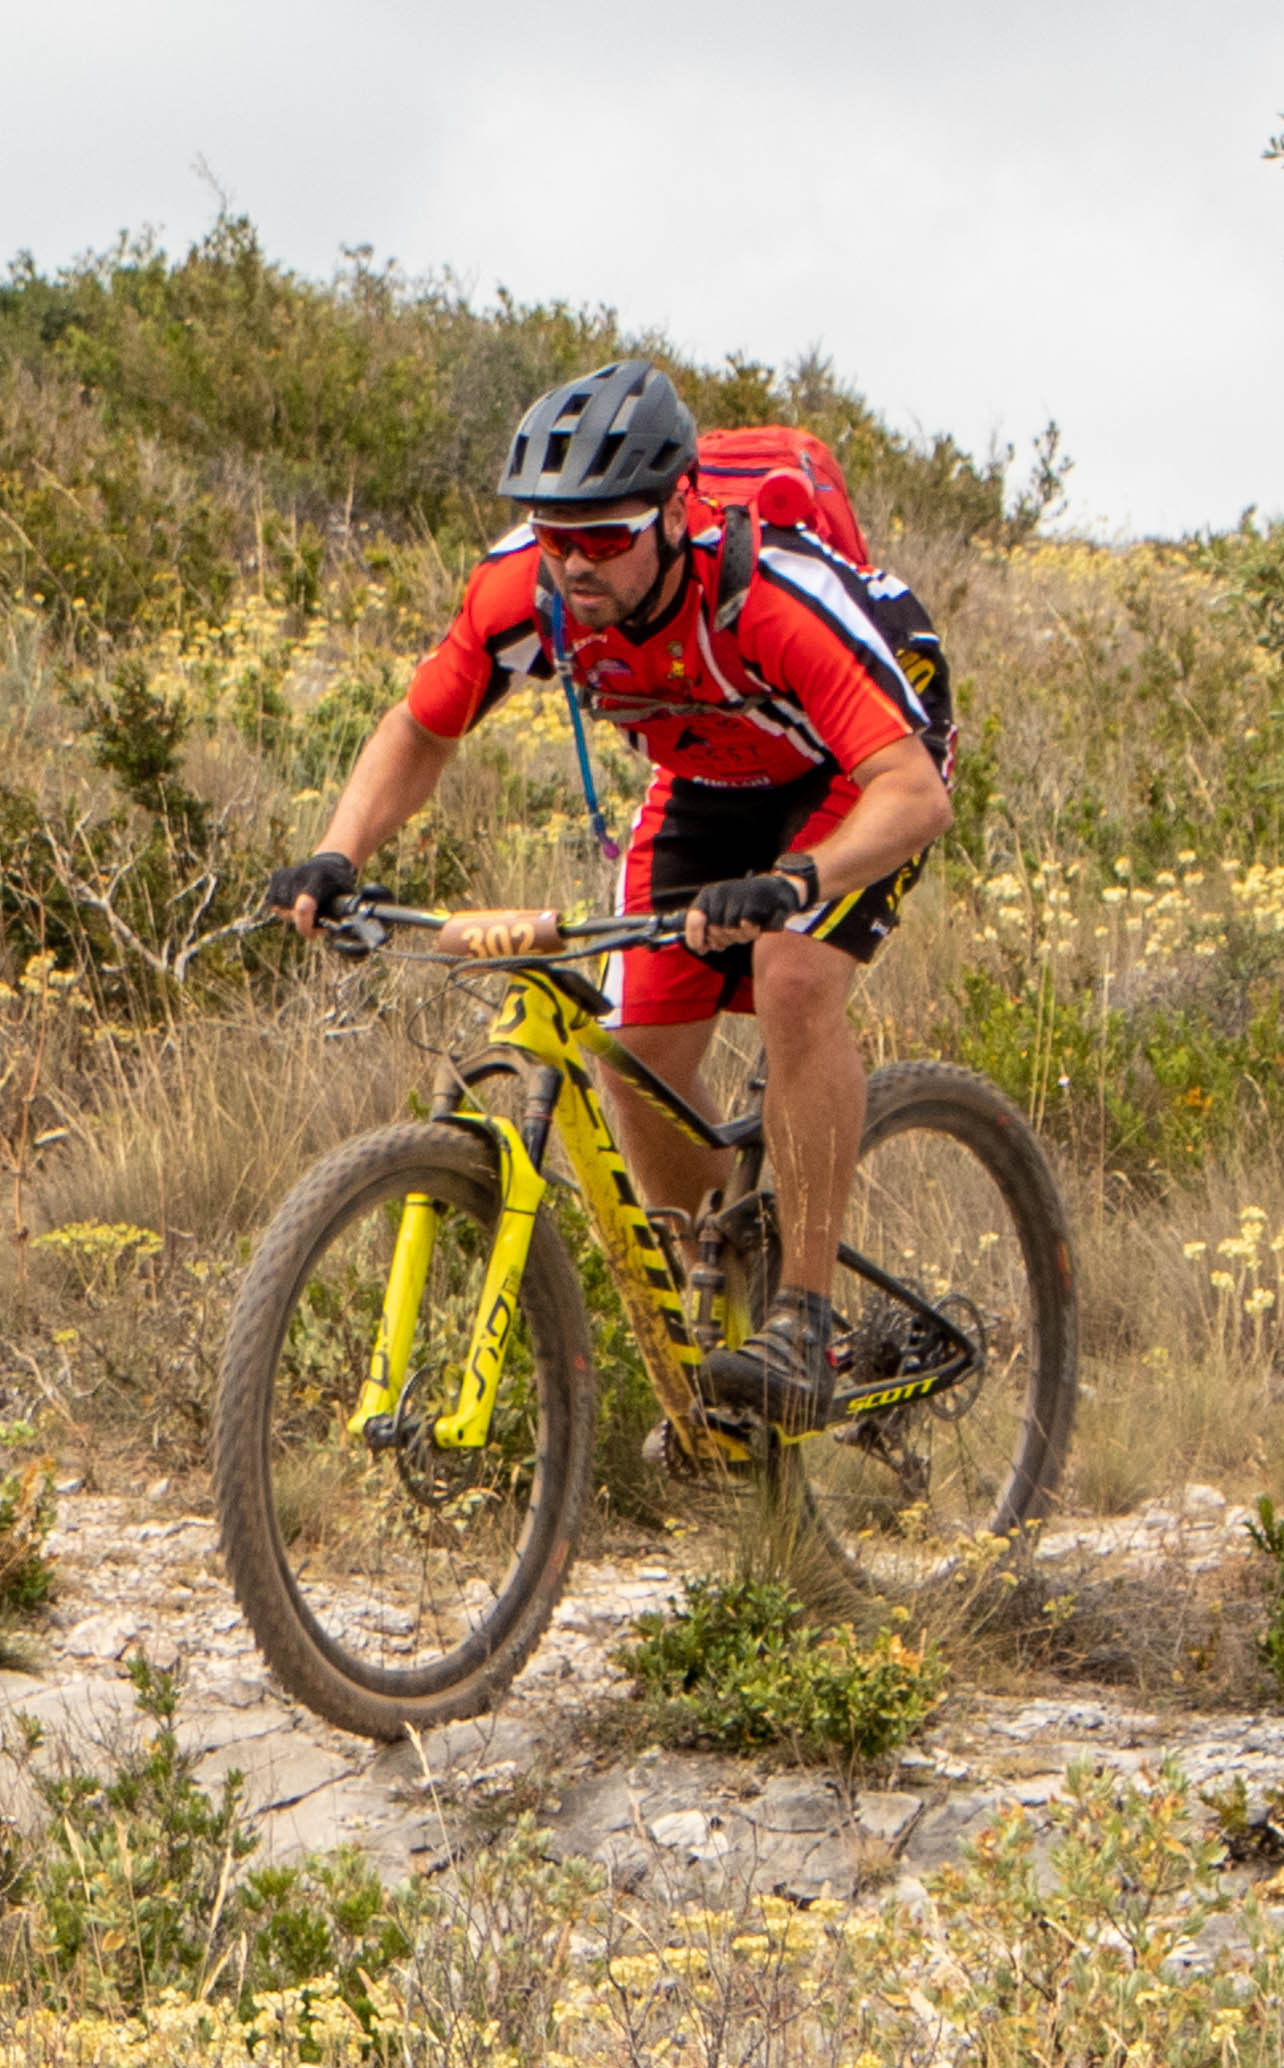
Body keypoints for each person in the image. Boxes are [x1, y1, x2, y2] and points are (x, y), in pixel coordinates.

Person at [264, 359, 954, 1431]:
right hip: (708, 773)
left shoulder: (772, 600)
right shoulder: (526, 591)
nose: (576, 561)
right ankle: (723, 1298)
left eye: (604, 536)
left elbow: (912, 792)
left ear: (675, 513)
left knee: (792, 973)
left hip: (855, 768)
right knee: (635, 1055)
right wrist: (336, 852)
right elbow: (422, 727)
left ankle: (805, 1317)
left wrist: (796, 879)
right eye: (555, 535)